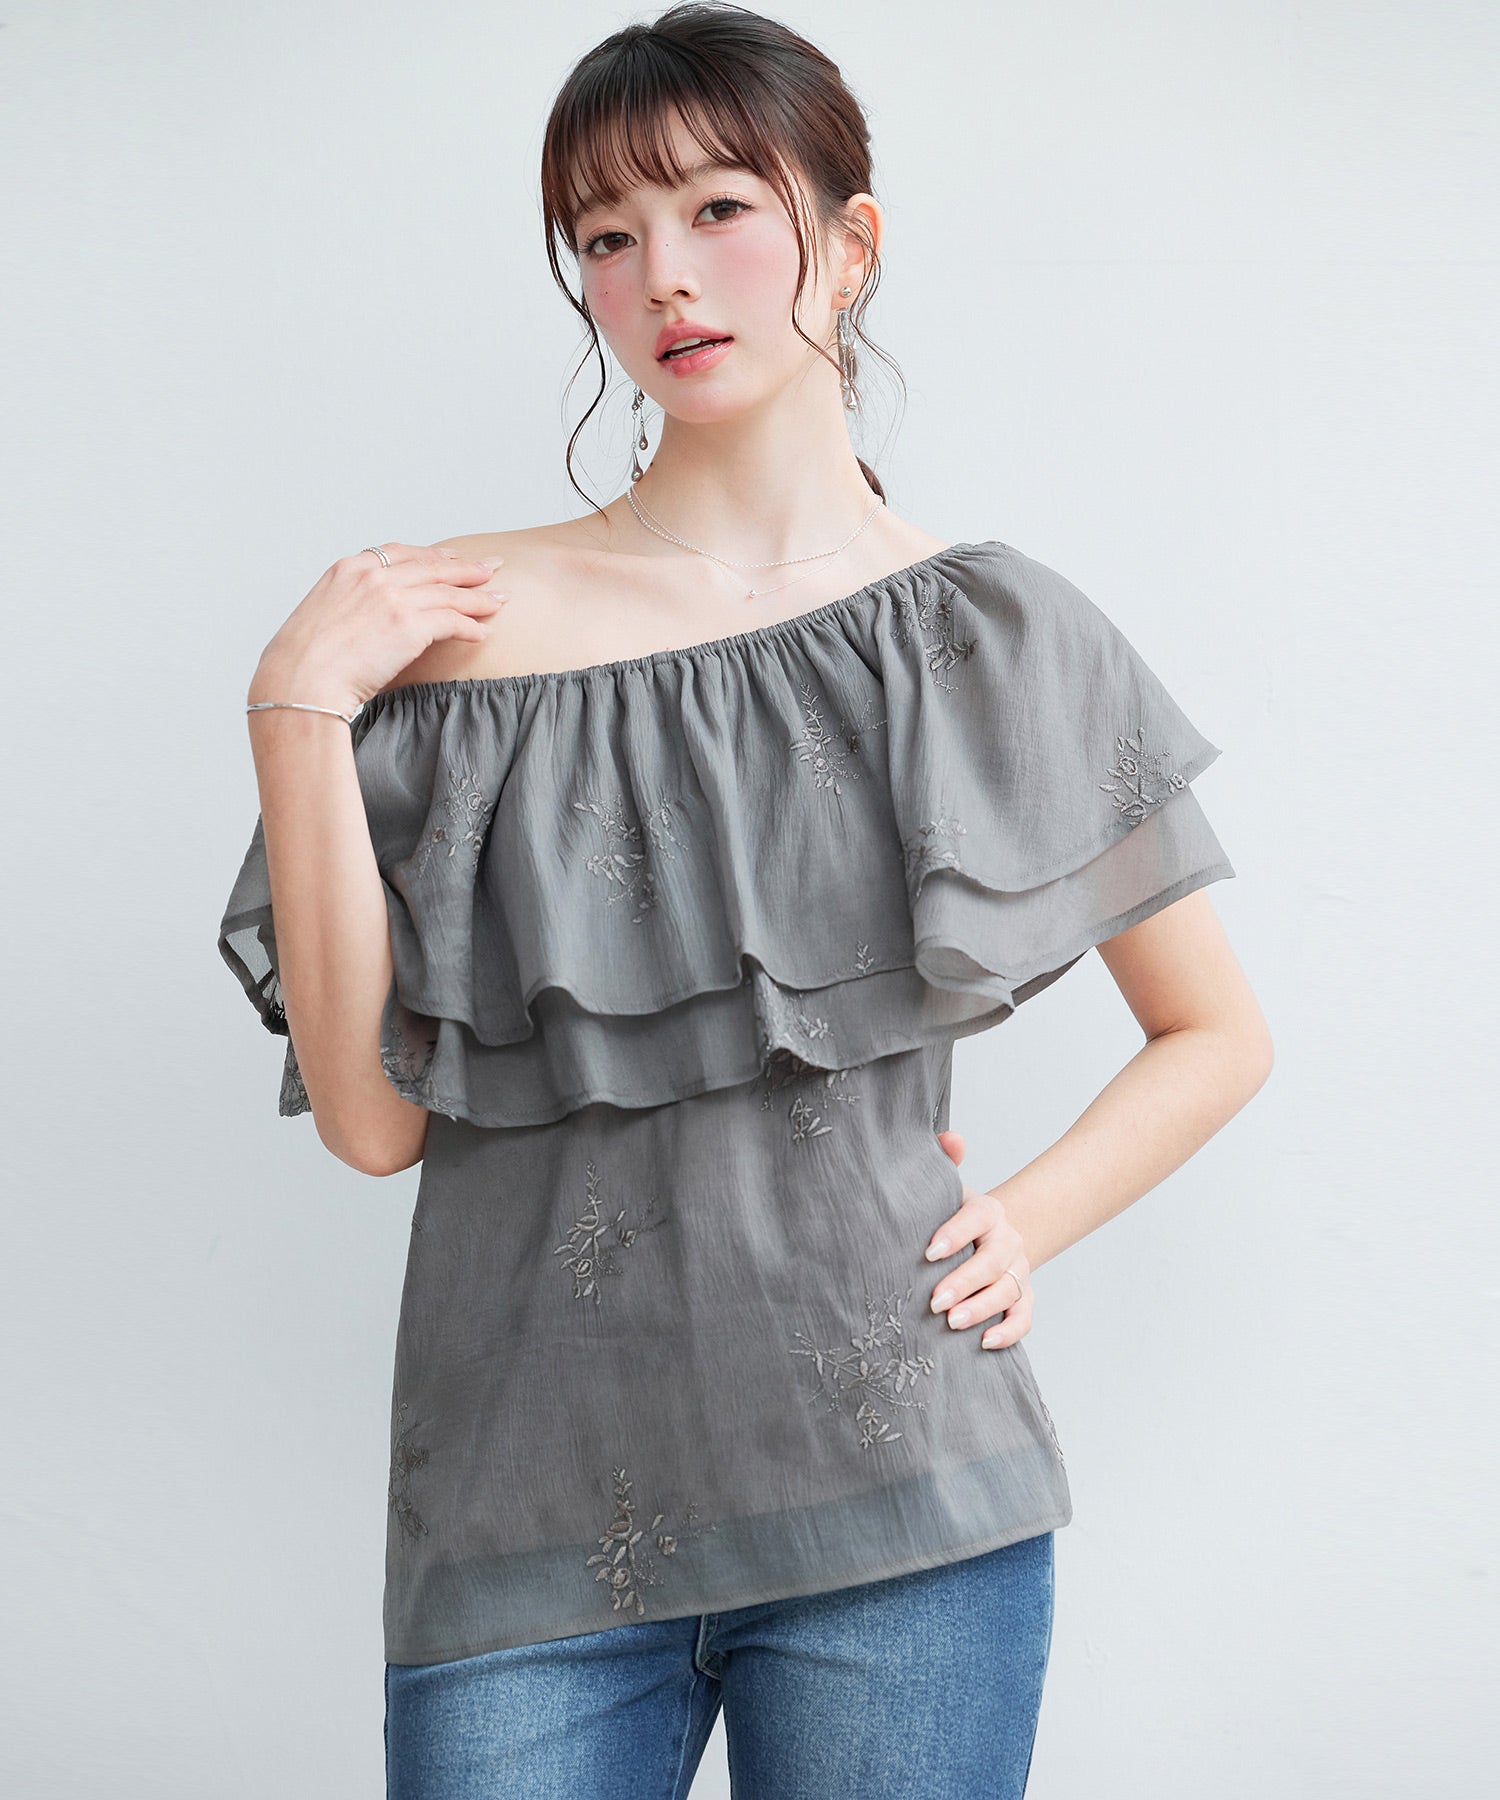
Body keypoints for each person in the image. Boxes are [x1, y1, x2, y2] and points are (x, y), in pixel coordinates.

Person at [216, 6, 1274, 1795]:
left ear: (851, 243)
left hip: (908, 1510)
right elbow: (374, 1128)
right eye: (607, 235)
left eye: (719, 209)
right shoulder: (450, 631)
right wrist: (295, 711)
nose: (664, 276)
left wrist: (1022, 1221)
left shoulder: (992, 637)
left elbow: (1216, 1032)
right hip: (521, 1527)